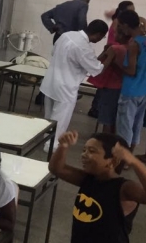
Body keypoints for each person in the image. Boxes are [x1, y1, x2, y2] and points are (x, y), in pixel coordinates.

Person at [40, 20, 109, 150]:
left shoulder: (67, 35)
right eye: (103, 37)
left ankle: (46, 140)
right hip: (65, 88)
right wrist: (110, 55)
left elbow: (54, 53)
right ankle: (51, 147)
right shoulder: (84, 47)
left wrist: (103, 54)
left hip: (50, 83)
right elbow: (97, 69)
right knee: (60, 121)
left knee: (48, 118)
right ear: (99, 34)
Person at [116, 10, 146, 151]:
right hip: (145, 89)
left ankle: (123, 158)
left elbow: (131, 71)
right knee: (137, 125)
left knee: (125, 127)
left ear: (126, 25)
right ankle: (130, 155)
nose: (120, 29)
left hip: (131, 91)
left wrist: (117, 63)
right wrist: (145, 58)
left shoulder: (134, 44)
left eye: (120, 26)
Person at [89, 31, 130, 134]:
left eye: (117, 33)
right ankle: (112, 139)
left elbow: (100, 64)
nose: (114, 35)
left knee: (106, 118)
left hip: (110, 86)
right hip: (123, 86)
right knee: (115, 118)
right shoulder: (130, 49)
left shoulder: (114, 49)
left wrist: (104, 52)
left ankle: (105, 140)